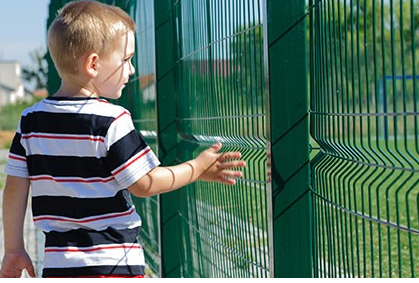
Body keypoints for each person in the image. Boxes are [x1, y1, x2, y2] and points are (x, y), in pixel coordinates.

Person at [0, 0, 246, 278]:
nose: (131, 70)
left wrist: (13, 249)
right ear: (93, 64)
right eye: (126, 60)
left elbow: (14, 190)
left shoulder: (30, 121)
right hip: (115, 264)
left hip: (60, 266)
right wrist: (197, 168)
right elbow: (145, 183)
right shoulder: (111, 120)